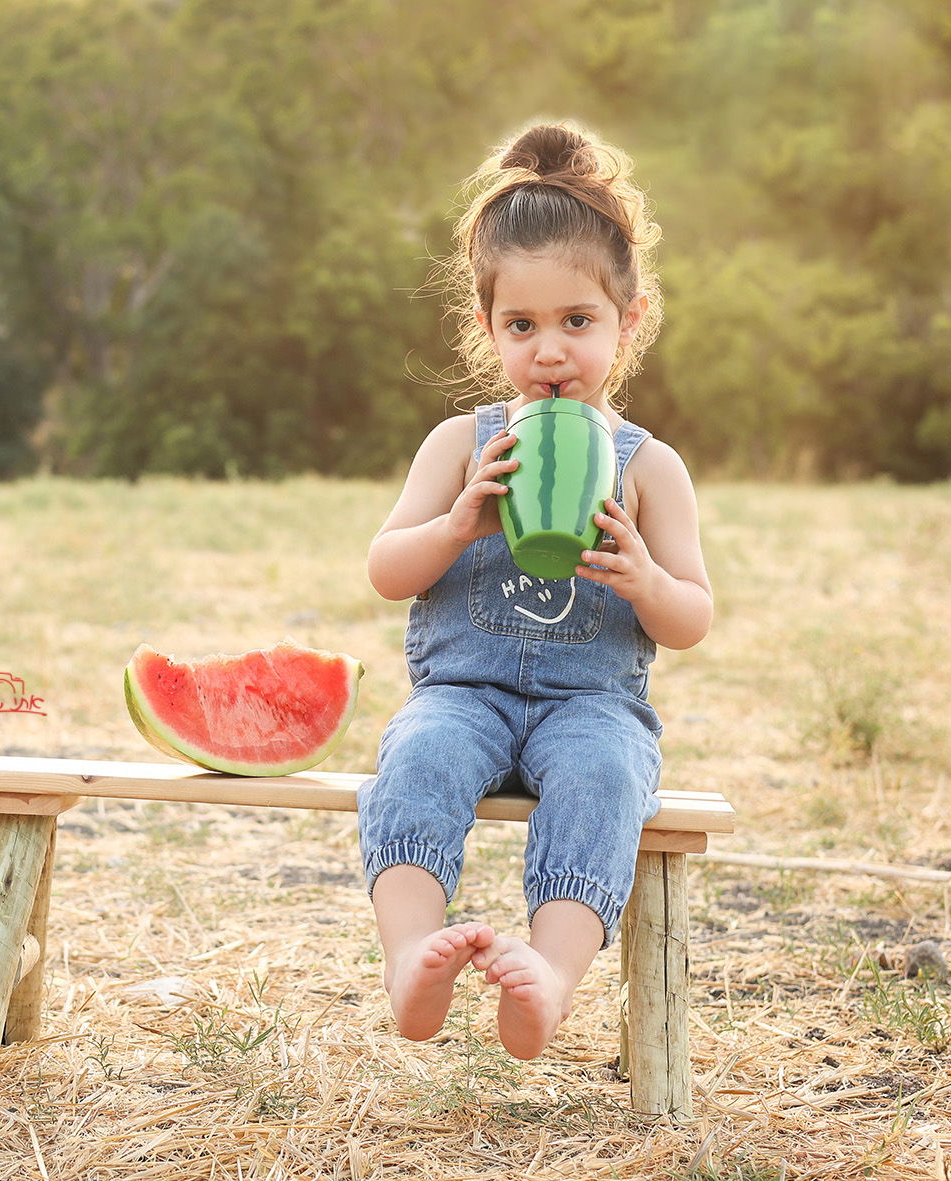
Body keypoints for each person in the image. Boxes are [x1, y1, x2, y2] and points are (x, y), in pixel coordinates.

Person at [357, 122, 712, 1060]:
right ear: (487, 330)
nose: (550, 351)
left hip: (589, 704)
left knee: (604, 777)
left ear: (628, 323)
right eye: (523, 326)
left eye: (577, 322)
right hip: (463, 694)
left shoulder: (649, 467)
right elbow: (387, 568)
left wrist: (641, 574)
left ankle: (550, 975)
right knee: (417, 759)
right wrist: (456, 524)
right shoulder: (460, 446)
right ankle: (408, 959)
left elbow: (693, 616)